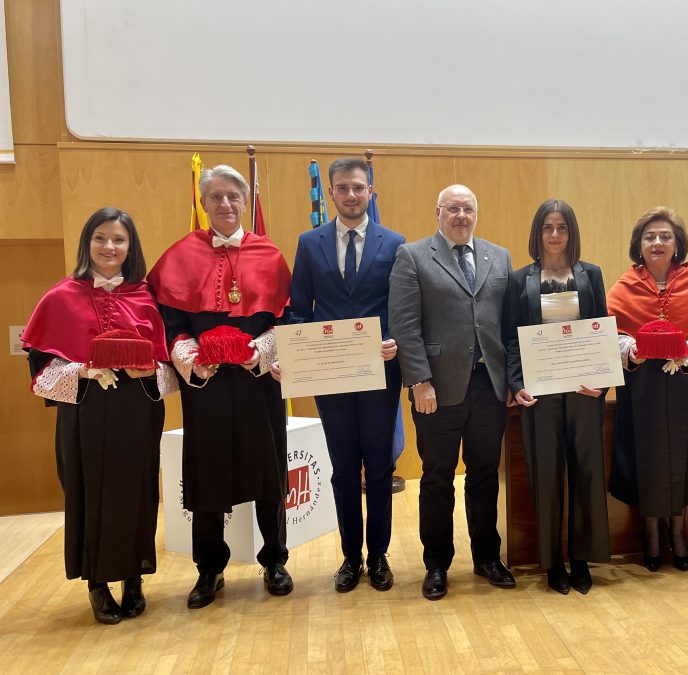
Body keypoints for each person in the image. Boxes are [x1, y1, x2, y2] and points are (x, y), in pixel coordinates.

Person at [147, 164, 294, 608]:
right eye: (216, 197)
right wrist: (193, 358)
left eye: (234, 196)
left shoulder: (269, 255)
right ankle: (209, 568)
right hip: (206, 387)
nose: (226, 204)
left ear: (245, 201)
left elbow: (285, 319)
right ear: (203, 202)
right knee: (206, 473)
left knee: (268, 471)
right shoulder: (178, 255)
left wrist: (259, 351)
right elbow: (169, 323)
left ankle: (275, 560)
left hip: (257, 382)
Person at [22, 207, 176, 624]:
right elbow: (40, 374)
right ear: (87, 243)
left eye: (119, 240)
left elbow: (167, 368)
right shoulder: (59, 297)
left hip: (136, 411)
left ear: (131, 248)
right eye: (101, 238)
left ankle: (133, 578)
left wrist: (152, 370)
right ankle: (97, 583)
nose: (110, 247)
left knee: (137, 489)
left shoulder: (146, 298)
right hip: (85, 412)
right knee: (89, 491)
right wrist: (83, 369)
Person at [389, 184, 515, 600]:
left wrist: (512, 381)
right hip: (436, 389)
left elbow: (506, 324)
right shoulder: (413, 255)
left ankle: (486, 557)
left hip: (489, 386)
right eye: (453, 208)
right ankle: (437, 564)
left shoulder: (499, 257)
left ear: (477, 214)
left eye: (468, 208)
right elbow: (405, 325)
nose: (461, 215)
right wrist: (419, 380)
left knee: (483, 475)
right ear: (438, 212)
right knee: (438, 477)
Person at [289, 157, 405, 593]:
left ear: (369, 192)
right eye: (343, 188)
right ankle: (349, 557)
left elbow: (401, 306)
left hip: (379, 373)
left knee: (378, 468)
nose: (351, 195)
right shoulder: (309, 242)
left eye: (359, 187)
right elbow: (299, 310)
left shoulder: (395, 243)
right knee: (342, 470)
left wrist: (393, 339)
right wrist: (296, 353)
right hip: (330, 377)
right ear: (331, 193)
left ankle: (379, 556)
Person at [607, 207, 688, 571]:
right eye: (649, 237)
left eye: (665, 237)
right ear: (638, 245)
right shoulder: (625, 284)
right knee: (645, 455)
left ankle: (678, 530)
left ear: (677, 245)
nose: (657, 243)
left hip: (681, 385)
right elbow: (608, 333)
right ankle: (651, 533)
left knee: (680, 456)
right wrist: (631, 347)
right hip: (640, 387)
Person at [502, 199, 610, 594]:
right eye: (547, 227)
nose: (554, 235)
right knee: (546, 475)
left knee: (586, 472)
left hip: (583, 391)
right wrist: (516, 385)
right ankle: (552, 563)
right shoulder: (520, 280)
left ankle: (581, 558)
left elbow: (602, 329)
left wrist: (602, 380)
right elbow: (511, 338)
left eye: (561, 227)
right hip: (540, 394)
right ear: (538, 232)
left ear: (571, 232)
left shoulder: (591, 274)